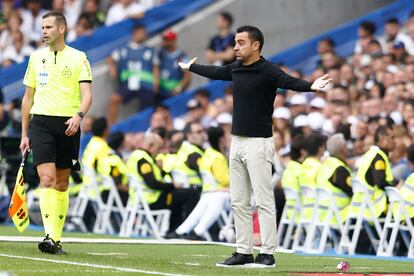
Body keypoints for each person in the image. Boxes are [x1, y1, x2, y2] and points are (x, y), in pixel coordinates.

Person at [179, 25, 331, 267]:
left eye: (240, 43)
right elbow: (217, 72)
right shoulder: (236, 68)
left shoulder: (268, 70)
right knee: (239, 200)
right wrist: (192, 67)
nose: (235, 47)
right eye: (235, 43)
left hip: (259, 143)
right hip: (237, 141)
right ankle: (243, 251)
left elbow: (289, 81)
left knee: (263, 200)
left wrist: (311, 86)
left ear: (255, 45)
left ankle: (268, 253)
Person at [20, 11, 92, 254]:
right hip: (40, 124)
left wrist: (78, 116)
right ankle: (49, 235)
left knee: (62, 183)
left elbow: (88, 95)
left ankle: (55, 239)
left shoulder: (79, 57)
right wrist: (24, 133)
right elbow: (27, 98)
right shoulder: (35, 57)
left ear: (62, 29)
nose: (44, 31)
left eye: (49, 27)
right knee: (47, 179)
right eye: (42, 27)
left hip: (68, 125)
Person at [107, 24, 159, 126]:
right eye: (142, 33)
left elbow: (155, 68)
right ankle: (111, 128)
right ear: (134, 33)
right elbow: (110, 58)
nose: (144, 35)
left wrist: (155, 84)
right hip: (128, 84)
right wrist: (112, 70)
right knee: (114, 99)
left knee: (145, 111)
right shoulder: (123, 49)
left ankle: (144, 128)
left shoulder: (150, 50)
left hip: (146, 85)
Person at [157, 29, 191, 101]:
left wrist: (178, 88)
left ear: (173, 41)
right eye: (163, 39)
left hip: (173, 92)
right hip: (160, 90)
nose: (163, 42)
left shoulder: (181, 56)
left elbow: (187, 76)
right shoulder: (160, 53)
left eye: (166, 40)